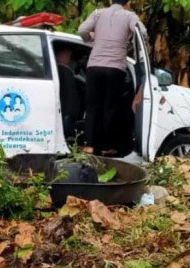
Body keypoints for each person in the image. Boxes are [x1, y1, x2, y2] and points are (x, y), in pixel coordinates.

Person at [78, 0, 148, 155]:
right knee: (110, 108)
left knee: (92, 107)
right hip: (115, 68)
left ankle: (89, 145)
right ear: (128, 3)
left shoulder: (98, 13)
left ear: (110, 1)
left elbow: (82, 30)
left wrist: (91, 37)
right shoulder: (129, 15)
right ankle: (107, 147)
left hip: (94, 66)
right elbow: (142, 32)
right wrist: (129, 40)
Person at [54, 46, 81, 139]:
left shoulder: (59, 71)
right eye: (67, 53)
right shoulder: (64, 71)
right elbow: (71, 100)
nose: (69, 57)